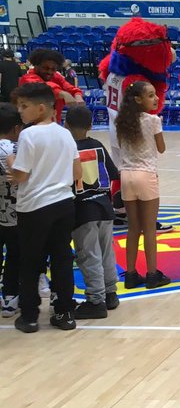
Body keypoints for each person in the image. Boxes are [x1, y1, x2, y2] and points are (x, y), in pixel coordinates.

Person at [6, 81, 83, 332]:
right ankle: (64, 314)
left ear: (41, 108)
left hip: (34, 207)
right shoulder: (65, 133)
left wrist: (11, 162)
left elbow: (21, 176)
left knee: (30, 262)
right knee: (62, 259)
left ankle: (29, 316)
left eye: (24, 106)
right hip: (63, 204)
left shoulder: (29, 134)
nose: (20, 111)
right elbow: (77, 171)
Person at [64, 103, 120, 319]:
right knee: (106, 251)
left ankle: (96, 300)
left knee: (88, 255)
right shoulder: (97, 145)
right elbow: (113, 174)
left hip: (82, 209)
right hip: (105, 207)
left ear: (66, 124)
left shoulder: (69, 149)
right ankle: (110, 293)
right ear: (91, 124)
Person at [115, 81, 171, 290]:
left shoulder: (121, 121)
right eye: (151, 95)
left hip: (126, 175)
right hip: (146, 174)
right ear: (138, 99)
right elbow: (162, 148)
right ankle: (152, 274)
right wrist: (159, 127)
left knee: (133, 229)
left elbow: (121, 147)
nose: (156, 98)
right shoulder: (153, 120)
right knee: (149, 229)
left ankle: (130, 275)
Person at [20, 49, 83, 123]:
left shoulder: (56, 76)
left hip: (54, 123)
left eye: (53, 69)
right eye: (45, 68)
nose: (49, 72)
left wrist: (78, 96)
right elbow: (44, 88)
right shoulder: (27, 78)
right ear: (36, 66)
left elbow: (72, 88)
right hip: (33, 124)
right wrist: (64, 94)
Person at [0, 101, 21, 317]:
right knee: (15, 255)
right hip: (16, 214)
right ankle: (10, 297)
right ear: (17, 129)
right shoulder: (16, 149)